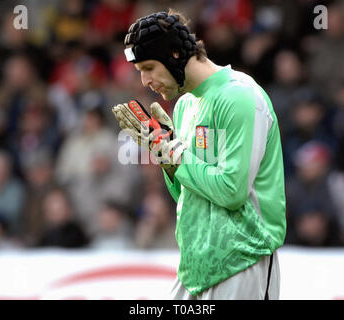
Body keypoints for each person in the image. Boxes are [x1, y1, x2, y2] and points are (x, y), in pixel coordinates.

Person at [113, 10, 286, 300]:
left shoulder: (240, 96)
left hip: (243, 261)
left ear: (176, 54)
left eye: (149, 67)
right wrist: (166, 160)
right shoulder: (183, 107)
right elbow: (188, 195)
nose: (144, 81)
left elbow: (232, 191)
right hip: (195, 269)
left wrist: (176, 154)